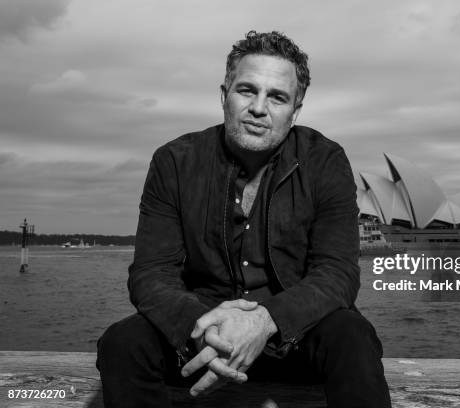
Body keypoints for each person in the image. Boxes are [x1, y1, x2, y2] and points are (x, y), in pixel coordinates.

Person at [97, 30, 391, 408]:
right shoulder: (174, 161)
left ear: (295, 110)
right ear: (224, 95)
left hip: (293, 335)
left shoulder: (325, 160)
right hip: (203, 336)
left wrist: (265, 320)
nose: (258, 108)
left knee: (352, 336)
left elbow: (337, 273)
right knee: (123, 343)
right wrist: (204, 328)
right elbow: (150, 274)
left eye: (277, 97)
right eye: (247, 90)